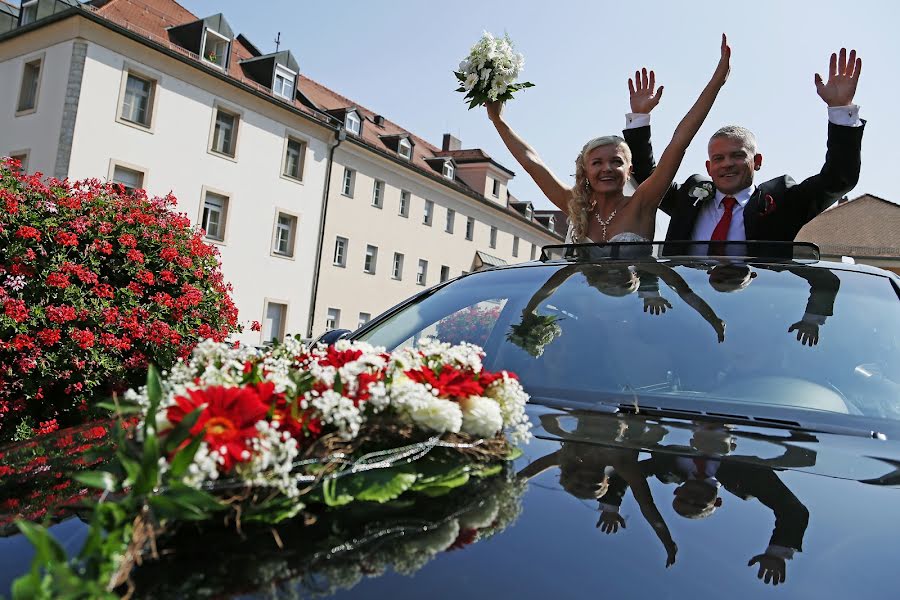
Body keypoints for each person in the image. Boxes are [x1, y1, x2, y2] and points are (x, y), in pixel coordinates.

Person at [486, 35, 731, 244]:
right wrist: (498, 121)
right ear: (585, 169)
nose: (607, 169)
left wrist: (716, 83)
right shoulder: (575, 206)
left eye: (616, 162)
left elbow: (680, 141)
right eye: (597, 163)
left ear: (629, 170)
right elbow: (531, 162)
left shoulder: (642, 203)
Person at [623, 49, 865, 249]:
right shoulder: (688, 198)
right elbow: (647, 178)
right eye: (718, 158)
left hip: (758, 307)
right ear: (709, 167)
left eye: (737, 155)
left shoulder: (783, 200)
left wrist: (841, 111)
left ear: (757, 161)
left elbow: (838, 179)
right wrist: (640, 118)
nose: (727, 163)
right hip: (686, 306)